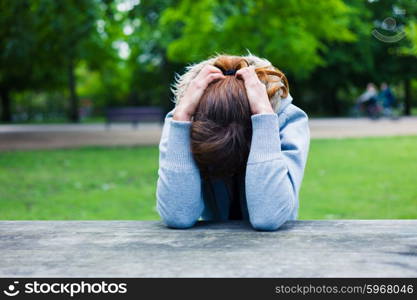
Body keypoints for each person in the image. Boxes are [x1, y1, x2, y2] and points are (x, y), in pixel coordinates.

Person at [155, 54, 310, 231]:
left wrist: (264, 117)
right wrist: (182, 119)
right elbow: (178, 215)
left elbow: (269, 216)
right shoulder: (183, 118)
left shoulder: (286, 119)